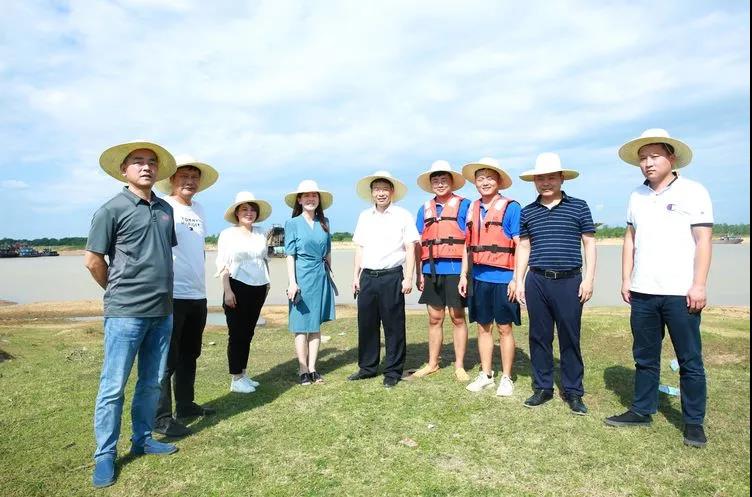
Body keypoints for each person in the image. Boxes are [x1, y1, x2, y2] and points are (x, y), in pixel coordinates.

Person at [605, 129, 712, 448]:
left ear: (671, 158)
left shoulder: (694, 191)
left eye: (654, 156)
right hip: (643, 290)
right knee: (645, 356)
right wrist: (626, 278)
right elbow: (630, 239)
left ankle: (693, 422)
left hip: (681, 292)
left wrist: (699, 284)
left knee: (689, 359)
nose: (648, 163)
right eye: (643, 158)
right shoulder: (636, 195)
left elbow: (703, 241)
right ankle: (642, 409)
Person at [84, 140, 179, 488]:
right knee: (113, 387)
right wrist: (117, 291)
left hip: (163, 311)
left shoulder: (165, 209)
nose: (146, 166)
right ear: (124, 170)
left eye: (151, 162)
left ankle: (142, 439)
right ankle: (105, 454)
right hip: (125, 313)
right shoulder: (110, 210)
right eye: (138, 161)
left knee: (151, 382)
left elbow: (162, 254)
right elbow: (93, 261)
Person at [514, 152, 596, 415]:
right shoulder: (528, 212)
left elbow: (589, 243)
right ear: (534, 181)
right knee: (539, 336)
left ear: (561, 178)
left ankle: (573, 391)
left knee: (570, 337)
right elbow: (524, 247)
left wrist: (589, 279)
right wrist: (518, 280)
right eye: (540, 178)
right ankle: (543, 387)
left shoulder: (579, 206)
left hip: (570, 281)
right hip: (537, 280)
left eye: (551, 177)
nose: (546, 182)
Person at [152, 155, 219, 437]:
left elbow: (197, 249)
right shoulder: (162, 206)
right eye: (184, 176)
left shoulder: (199, 209)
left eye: (194, 177)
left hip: (197, 293)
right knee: (167, 358)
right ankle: (161, 417)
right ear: (172, 179)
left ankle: (186, 404)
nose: (189, 181)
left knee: (190, 353)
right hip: (172, 294)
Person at [349, 170, 420, 388]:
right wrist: (355, 276)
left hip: (392, 276)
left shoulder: (402, 215)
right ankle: (367, 367)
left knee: (393, 325)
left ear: (392, 192)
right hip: (368, 276)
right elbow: (360, 248)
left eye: (384, 189)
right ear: (371, 193)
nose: (381, 193)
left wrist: (409, 277)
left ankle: (393, 371)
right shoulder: (364, 216)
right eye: (377, 189)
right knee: (367, 324)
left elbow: (411, 247)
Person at [458, 158, 522, 396]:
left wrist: (517, 279)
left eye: (490, 178)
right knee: (483, 327)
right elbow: (467, 246)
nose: (485, 182)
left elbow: (521, 245)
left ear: (499, 181)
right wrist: (464, 275)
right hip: (479, 278)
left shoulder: (512, 207)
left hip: (504, 278)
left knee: (504, 328)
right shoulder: (472, 207)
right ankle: (486, 374)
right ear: (475, 183)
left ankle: (506, 377)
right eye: (480, 178)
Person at [412, 160, 471, 382]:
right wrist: (419, 273)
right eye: (435, 180)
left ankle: (459, 365)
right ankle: (432, 363)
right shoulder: (424, 208)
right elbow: (418, 243)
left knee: (458, 317)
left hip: (456, 269)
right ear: (431, 184)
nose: (439, 184)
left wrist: (465, 274)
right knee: (434, 317)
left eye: (443, 180)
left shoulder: (465, 205)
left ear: (452, 182)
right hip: (431, 269)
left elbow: (470, 241)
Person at [216, 192, 273, 394]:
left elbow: (264, 260)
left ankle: (243, 373)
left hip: (258, 287)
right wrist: (227, 291)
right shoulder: (227, 234)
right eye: (244, 209)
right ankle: (235, 378)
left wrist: (267, 284)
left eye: (252, 210)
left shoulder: (261, 233)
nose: (249, 213)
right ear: (236, 213)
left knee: (248, 332)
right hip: (236, 285)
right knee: (237, 333)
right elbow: (223, 264)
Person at [283, 180, 336, 385]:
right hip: (302, 277)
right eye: (306, 195)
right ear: (299, 200)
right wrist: (292, 282)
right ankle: (302, 369)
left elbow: (328, 251)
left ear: (318, 199)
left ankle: (313, 368)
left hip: (320, 276)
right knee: (301, 325)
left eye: (314, 195)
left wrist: (329, 275)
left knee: (315, 325)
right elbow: (290, 255)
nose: (310, 199)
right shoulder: (292, 223)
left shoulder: (325, 222)